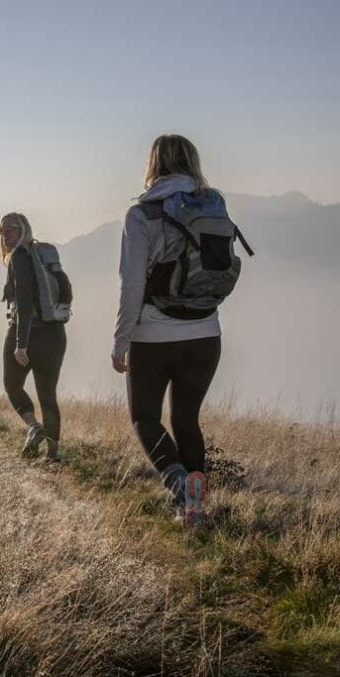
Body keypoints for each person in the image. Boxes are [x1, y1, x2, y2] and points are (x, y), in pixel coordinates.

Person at [112, 134, 227, 525]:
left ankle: (178, 484)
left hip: (153, 336)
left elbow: (132, 286)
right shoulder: (214, 206)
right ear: (192, 162)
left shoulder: (141, 215)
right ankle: (194, 506)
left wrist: (120, 343)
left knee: (145, 418)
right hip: (206, 333)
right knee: (186, 420)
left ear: (152, 164)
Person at [0, 212, 71, 462]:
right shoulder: (44, 256)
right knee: (48, 396)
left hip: (28, 331)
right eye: (2, 231)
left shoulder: (19, 258)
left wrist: (21, 344)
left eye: (11, 230)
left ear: (23, 230)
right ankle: (53, 456)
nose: (6, 235)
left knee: (12, 385)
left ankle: (33, 426)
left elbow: (25, 301)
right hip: (55, 334)